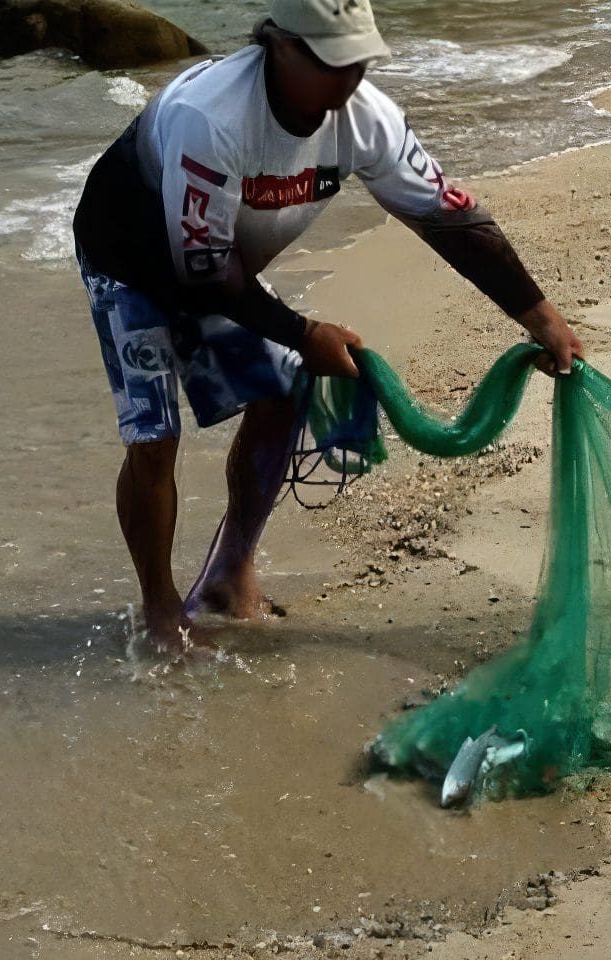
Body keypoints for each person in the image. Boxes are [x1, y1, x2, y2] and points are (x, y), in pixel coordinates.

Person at [71, 0, 584, 659]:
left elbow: (453, 221)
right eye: (331, 59)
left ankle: (230, 573)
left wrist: (541, 318)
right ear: (278, 44)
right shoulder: (213, 117)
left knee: (284, 394)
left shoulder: (368, 118)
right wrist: (302, 329)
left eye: (359, 58)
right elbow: (202, 272)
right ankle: (160, 610)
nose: (349, 77)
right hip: (130, 261)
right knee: (154, 436)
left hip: (221, 262)